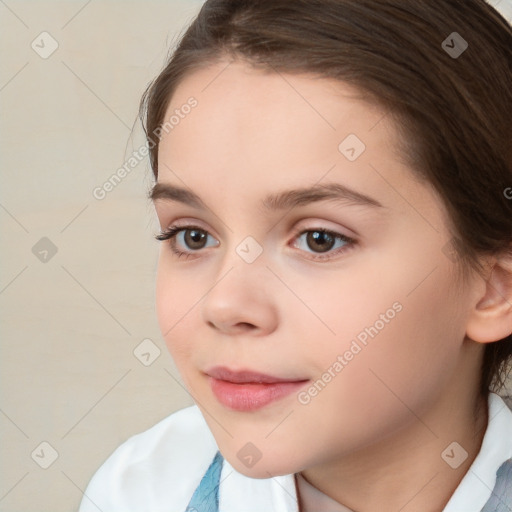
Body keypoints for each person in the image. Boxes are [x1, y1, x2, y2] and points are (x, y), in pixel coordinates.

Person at [79, 1, 512, 510]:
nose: (226, 306)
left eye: (319, 239)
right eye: (192, 236)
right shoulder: (141, 492)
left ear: (494, 289)